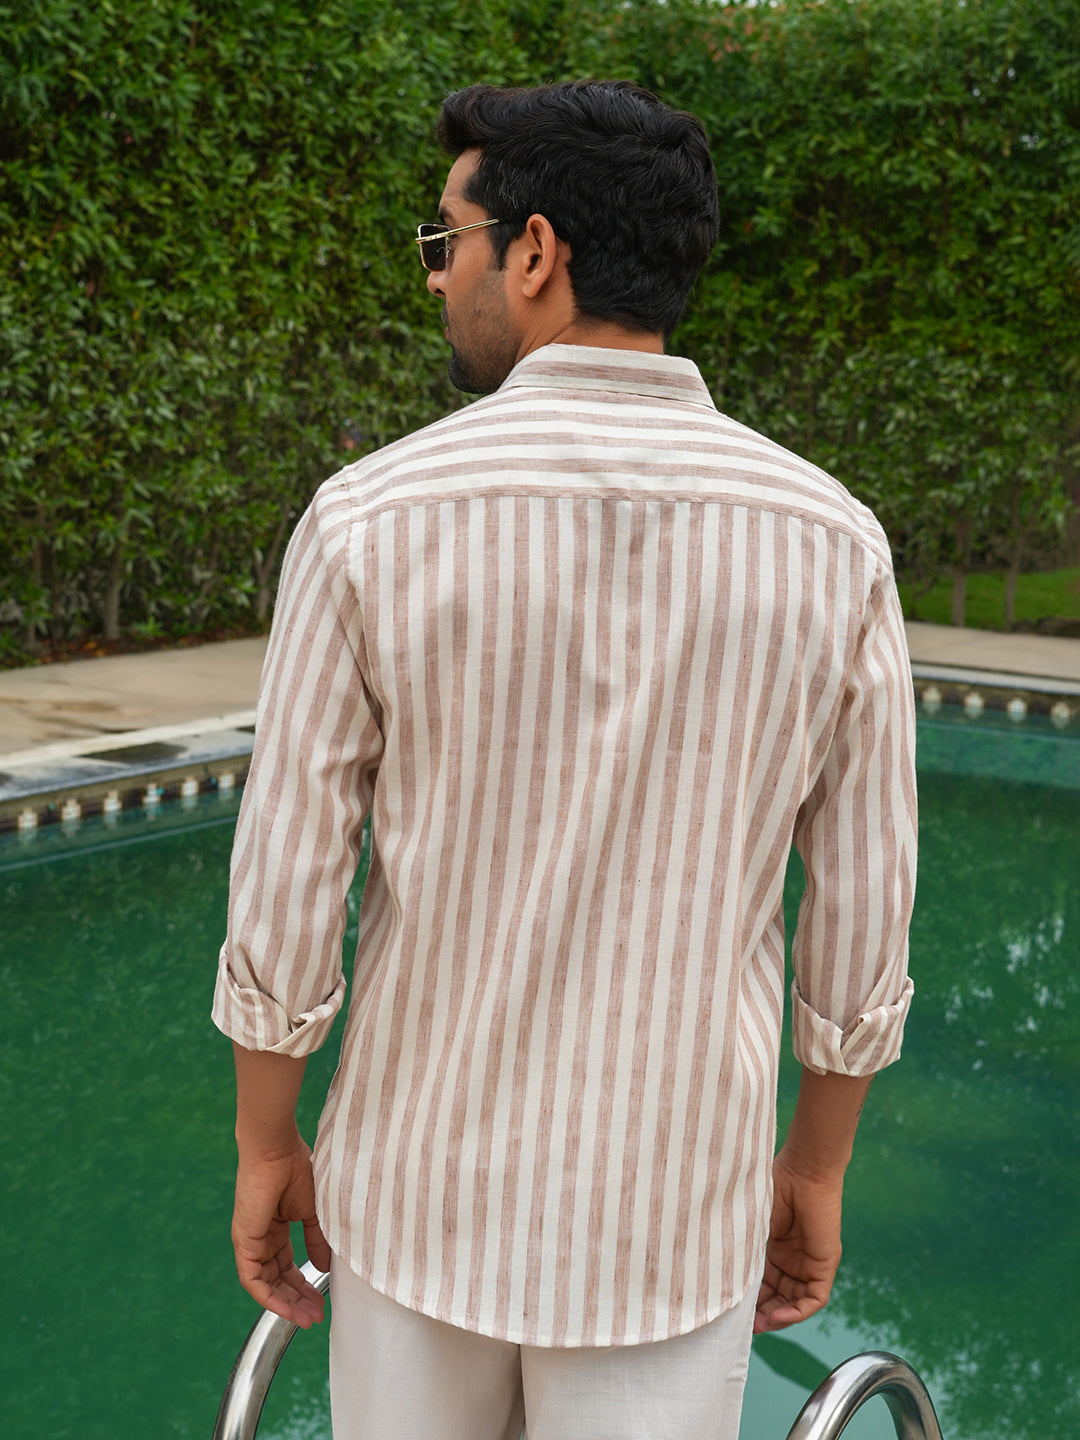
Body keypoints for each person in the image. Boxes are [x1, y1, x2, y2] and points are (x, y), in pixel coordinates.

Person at [212, 80, 916, 1440]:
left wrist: (266, 1141)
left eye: (445, 241)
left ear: (533, 252)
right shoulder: (833, 541)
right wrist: (816, 1169)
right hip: (675, 1214)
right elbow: (865, 914)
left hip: (415, 1198)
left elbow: (289, 882)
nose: (436, 277)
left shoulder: (370, 518)